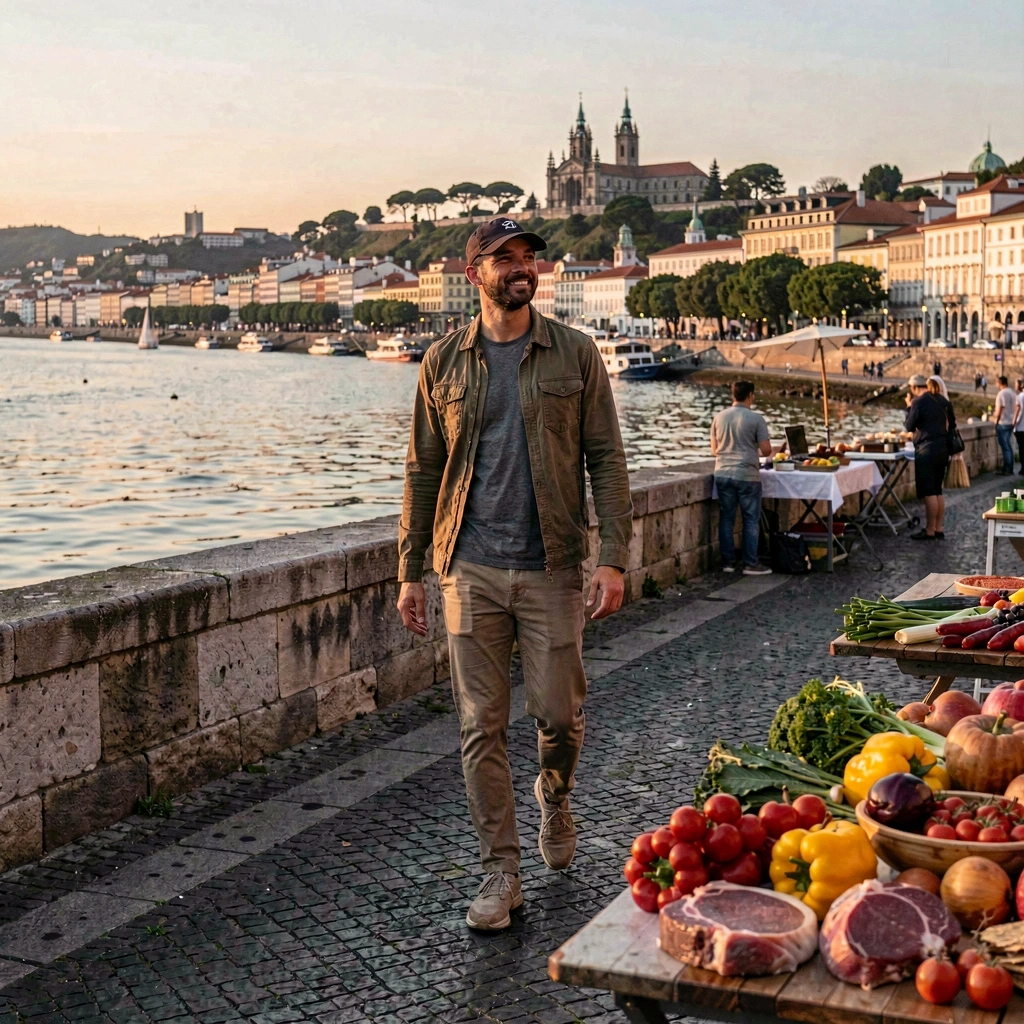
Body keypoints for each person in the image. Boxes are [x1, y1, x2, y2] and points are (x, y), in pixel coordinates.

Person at [396, 217, 632, 932]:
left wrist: (615, 557)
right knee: (479, 726)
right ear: (476, 275)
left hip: (553, 567)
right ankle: (500, 871)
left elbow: (608, 460)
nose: (521, 267)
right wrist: (411, 570)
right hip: (467, 569)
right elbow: (422, 471)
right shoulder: (442, 363)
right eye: (505, 258)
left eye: (528, 257)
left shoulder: (575, 353)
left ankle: (554, 793)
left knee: (559, 716)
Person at [710, 381, 772, 575]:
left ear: (733, 395)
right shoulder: (756, 419)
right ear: (750, 395)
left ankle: (728, 563)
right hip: (747, 475)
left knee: (726, 518)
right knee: (750, 519)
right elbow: (766, 450)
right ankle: (750, 563)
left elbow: (715, 450)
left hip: (722, 473)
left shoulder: (718, 417)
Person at [905, 373, 956, 539]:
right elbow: (952, 426)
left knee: (929, 491)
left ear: (914, 388)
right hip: (943, 449)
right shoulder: (944, 402)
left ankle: (929, 530)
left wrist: (908, 407)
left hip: (926, 449)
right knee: (938, 489)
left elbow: (909, 426)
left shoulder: (918, 402)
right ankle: (938, 528)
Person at [995, 375, 1018, 474]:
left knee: (1005, 446)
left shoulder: (1002, 393)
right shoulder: (1012, 393)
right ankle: (1010, 467)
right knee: (1008, 445)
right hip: (1011, 421)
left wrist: (996, 421)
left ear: (1000, 383)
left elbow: (1001, 408)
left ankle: (1007, 468)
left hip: (1003, 422)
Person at [1015, 379, 1024, 475]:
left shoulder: (1020, 397)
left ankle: (1023, 468)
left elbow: (1019, 411)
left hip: (1021, 428)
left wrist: (1014, 423)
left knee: (1022, 448)